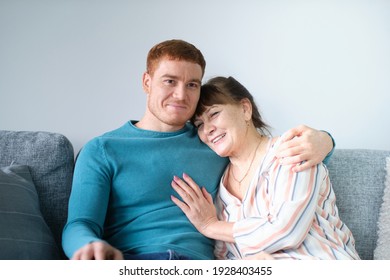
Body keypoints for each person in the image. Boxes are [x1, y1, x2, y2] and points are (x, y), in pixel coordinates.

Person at [62, 39, 335, 260]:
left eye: (192, 84)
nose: (181, 95)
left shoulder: (214, 143)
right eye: (169, 81)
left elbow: (271, 158)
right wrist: (88, 247)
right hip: (138, 261)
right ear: (147, 82)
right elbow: (79, 224)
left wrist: (325, 140)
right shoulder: (103, 149)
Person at [171, 76, 360, 260]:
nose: (207, 129)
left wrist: (211, 226)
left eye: (214, 114)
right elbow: (226, 256)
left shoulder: (292, 150)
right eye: (199, 124)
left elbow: (287, 231)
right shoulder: (219, 188)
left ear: (245, 109)